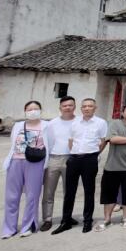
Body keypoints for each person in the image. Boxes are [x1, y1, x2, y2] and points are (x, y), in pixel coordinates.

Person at [52, 98, 108, 234]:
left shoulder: (101, 123)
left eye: (90, 106)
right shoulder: (75, 122)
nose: (87, 108)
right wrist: (74, 153)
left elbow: (103, 141)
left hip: (90, 159)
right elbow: (71, 141)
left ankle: (87, 221)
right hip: (74, 159)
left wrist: (94, 154)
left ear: (95, 108)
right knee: (69, 192)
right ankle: (66, 221)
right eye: (84, 106)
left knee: (89, 191)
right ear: (81, 108)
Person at [2, 101, 50, 238]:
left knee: (32, 195)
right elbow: (13, 143)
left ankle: (28, 226)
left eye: (36, 109)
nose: (33, 111)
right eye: (30, 109)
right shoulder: (18, 125)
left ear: (40, 110)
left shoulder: (46, 125)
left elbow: (50, 144)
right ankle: (9, 228)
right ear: (25, 111)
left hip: (35, 163)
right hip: (15, 161)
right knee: (11, 196)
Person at [94, 103, 126, 231]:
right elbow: (113, 139)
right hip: (112, 166)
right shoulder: (114, 124)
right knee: (109, 194)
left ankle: (125, 218)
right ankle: (107, 219)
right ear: (123, 112)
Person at [40, 96, 78, 232]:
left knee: (69, 192)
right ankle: (47, 219)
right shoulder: (52, 123)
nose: (67, 107)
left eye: (70, 105)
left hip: (72, 159)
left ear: (74, 106)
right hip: (54, 159)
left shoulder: (79, 122)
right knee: (48, 192)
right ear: (60, 108)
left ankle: (67, 217)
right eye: (64, 105)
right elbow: (46, 141)